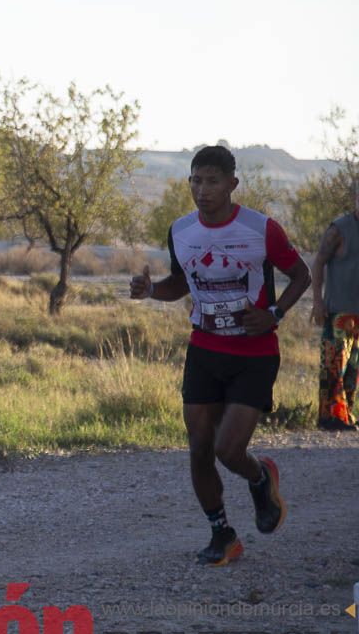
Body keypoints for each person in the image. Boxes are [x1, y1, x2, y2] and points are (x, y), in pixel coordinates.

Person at [130, 145, 311, 566]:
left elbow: (300, 273)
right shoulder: (181, 231)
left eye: (212, 181)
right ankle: (222, 534)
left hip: (254, 352)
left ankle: (260, 475)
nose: (203, 189)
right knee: (199, 446)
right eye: (196, 180)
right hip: (205, 348)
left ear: (232, 184)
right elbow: (180, 283)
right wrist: (151, 290)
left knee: (229, 451)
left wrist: (275, 314)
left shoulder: (261, 229)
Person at [310, 179, 359, 431]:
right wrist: (317, 302)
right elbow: (318, 263)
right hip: (339, 312)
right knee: (333, 367)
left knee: (354, 369)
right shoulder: (339, 229)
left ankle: (347, 415)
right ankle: (329, 417)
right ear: (355, 197)